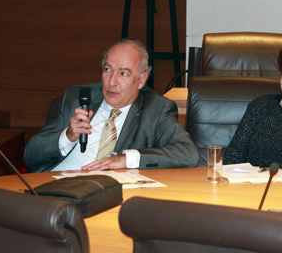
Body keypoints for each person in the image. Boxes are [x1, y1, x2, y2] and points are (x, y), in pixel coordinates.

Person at [24, 39, 198, 172]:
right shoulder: (76, 97)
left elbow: (187, 153)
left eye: (123, 73)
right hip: (58, 187)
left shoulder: (157, 108)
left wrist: (125, 159)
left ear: (141, 80)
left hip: (109, 193)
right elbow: (31, 155)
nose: (111, 82)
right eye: (108, 70)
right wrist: (68, 137)